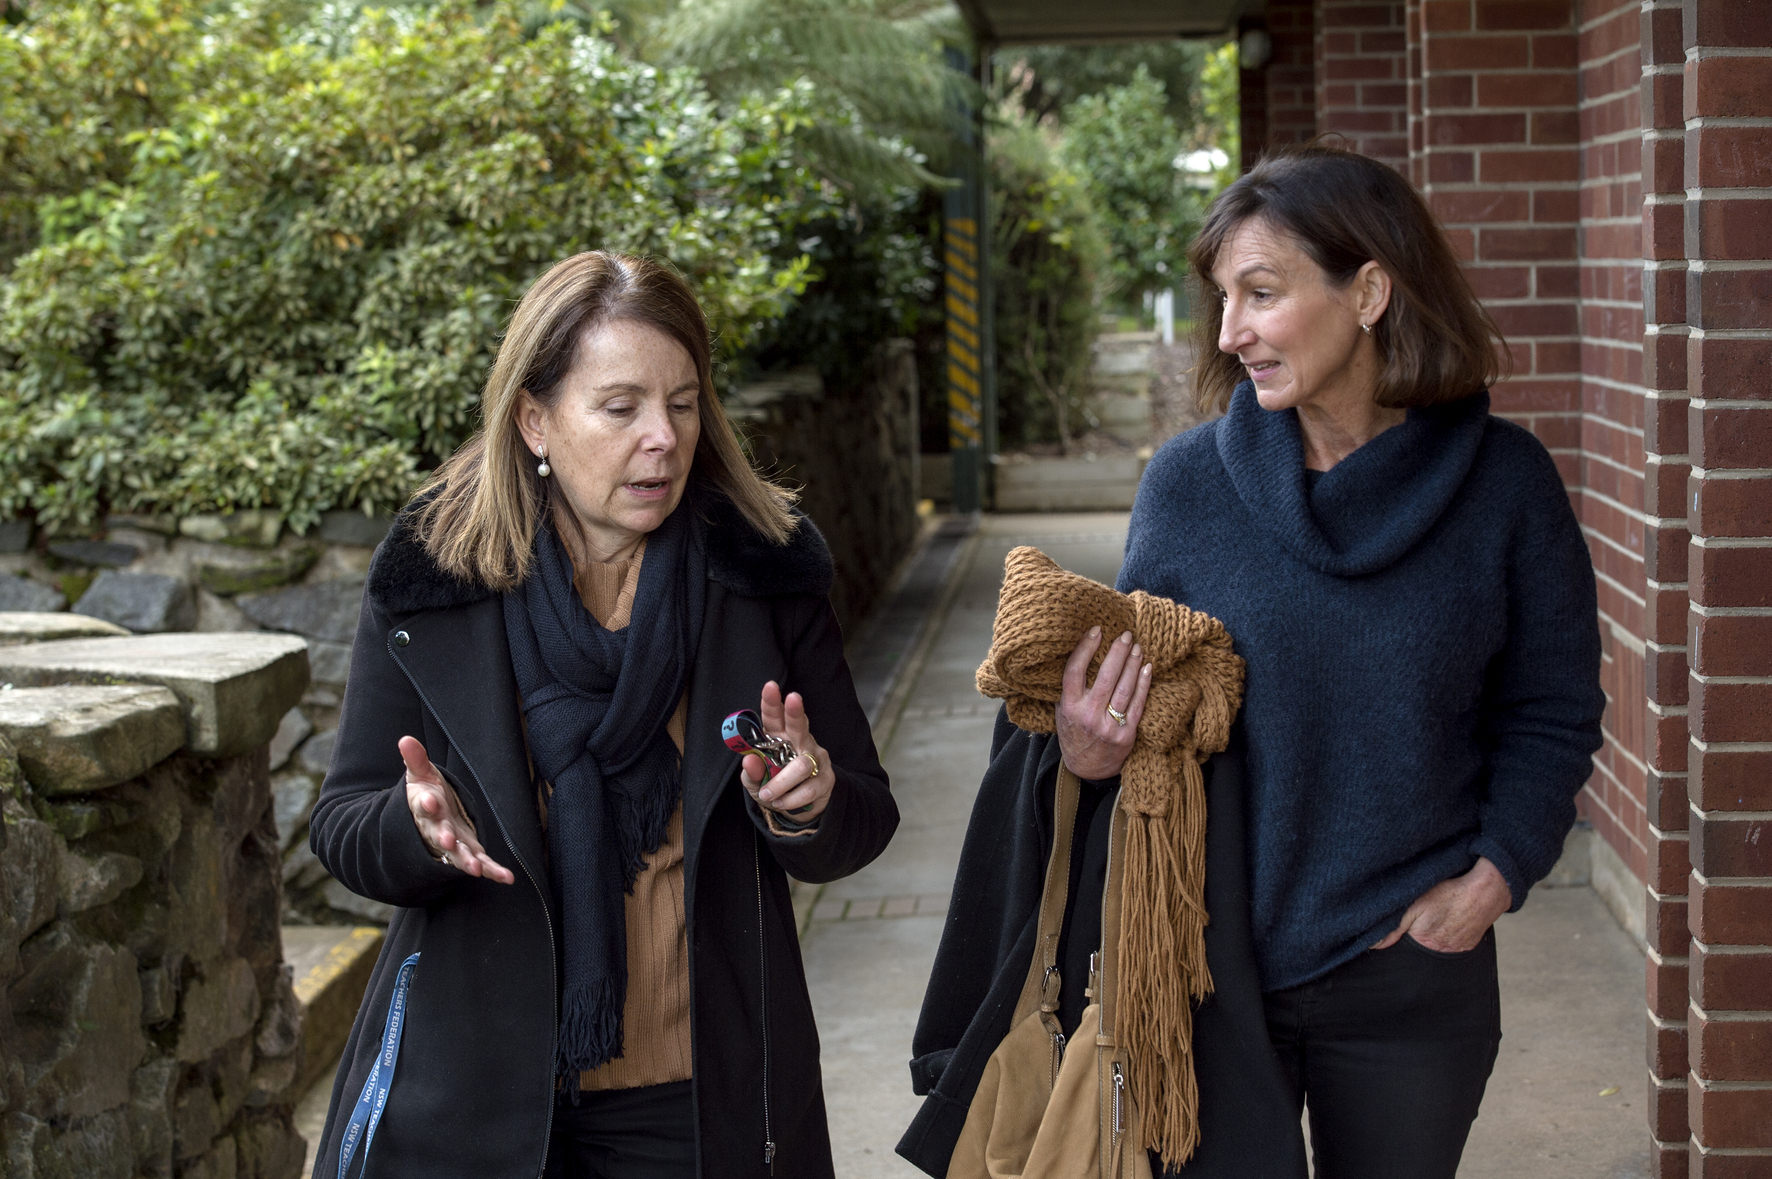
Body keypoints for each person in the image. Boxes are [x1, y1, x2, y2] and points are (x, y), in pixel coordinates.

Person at [901, 144, 1604, 1179]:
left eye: (1259, 294)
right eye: (1221, 298)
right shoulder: (1186, 487)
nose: (1228, 333)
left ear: (1367, 290)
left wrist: (1494, 876)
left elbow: (1550, 710)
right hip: (1199, 971)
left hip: (1407, 974)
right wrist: (1088, 752)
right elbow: (1141, 728)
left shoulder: (1504, 487)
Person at [308, 250, 898, 1179]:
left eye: (684, 402)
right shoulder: (439, 576)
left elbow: (862, 815)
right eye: (620, 408)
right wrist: (414, 826)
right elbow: (343, 824)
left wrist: (808, 800)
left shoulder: (762, 569)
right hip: (477, 1105)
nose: (661, 437)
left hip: (701, 1100)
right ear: (535, 419)